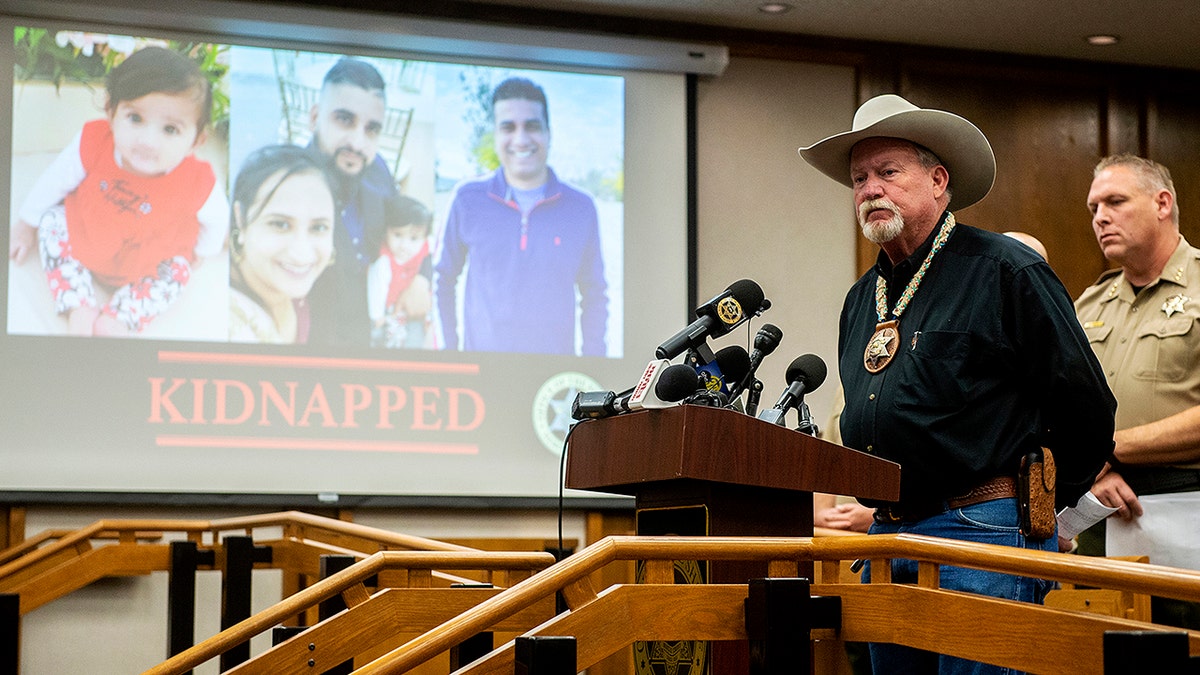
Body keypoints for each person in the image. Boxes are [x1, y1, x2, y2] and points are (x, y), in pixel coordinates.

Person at [798, 94, 1116, 674]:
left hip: (982, 531)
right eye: (860, 178)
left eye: (888, 173)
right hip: (887, 535)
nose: (871, 189)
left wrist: (1044, 511)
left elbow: (1087, 405)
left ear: (938, 180)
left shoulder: (1004, 270)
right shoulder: (860, 299)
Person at [9, 46, 227, 336]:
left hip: (151, 256)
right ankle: (78, 303)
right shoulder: (94, 141)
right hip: (88, 231)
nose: (148, 141)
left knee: (179, 271)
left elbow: (217, 219)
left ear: (197, 141)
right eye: (135, 119)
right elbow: (55, 180)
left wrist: (203, 250)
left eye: (170, 130)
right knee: (51, 221)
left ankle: (122, 316)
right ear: (111, 111)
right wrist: (26, 225)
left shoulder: (198, 180)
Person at [1074, 154, 1200, 630]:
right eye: (1093, 208)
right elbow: (1053, 409)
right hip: (1099, 506)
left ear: (1162, 203)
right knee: (1100, 650)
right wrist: (1091, 471)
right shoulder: (1090, 303)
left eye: (1115, 201)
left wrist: (1108, 450)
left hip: (1187, 501)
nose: (1100, 216)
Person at [433, 76, 608, 356]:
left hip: (554, 380)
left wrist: (594, 362)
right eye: (508, 127)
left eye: (532, 126)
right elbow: (442, 279)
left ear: (549, 132)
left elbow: (595, 294)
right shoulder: (467, 199)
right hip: (479, 375)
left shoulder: (581, 208)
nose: (521, 139)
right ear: (496, 135)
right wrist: (450, 353)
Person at [303, 57, 412, 346]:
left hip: (368, 331)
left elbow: (407, 224)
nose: (357, 142)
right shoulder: (289, 183)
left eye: (371, 129)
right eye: (344, 119)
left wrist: (423, 278)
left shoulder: (378, 171)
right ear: (314, 118)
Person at [228, 145, 336, 344]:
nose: (301, 253)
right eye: (280, 224)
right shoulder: (227, 320)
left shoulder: (317, 285)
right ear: (240, 220)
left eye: (319, 227)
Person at [367, 195, 434, 348]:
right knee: (398, 342)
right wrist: (377, 317)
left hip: (420, 308)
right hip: (393, 312)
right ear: (386, 231)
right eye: (397, 235)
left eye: (413, 238)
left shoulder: (425, 247)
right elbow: (376, 290)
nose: (404, 245)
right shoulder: (384, 262)